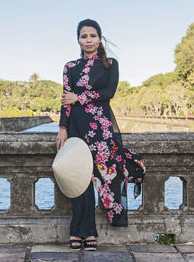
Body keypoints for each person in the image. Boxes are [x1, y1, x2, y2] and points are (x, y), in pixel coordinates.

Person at [55, 19, 146, 251]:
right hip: (76, 128)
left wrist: (80, 97)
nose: (88, 40)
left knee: (103, 177)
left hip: (102, 129)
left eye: (92, 36)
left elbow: (109, 92)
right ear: (78, 40)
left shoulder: (109, 64)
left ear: (99, 38)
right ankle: (81, 232)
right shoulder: (70, 67)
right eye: (83, 36)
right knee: (80, 179)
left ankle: (90, 231)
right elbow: (66, 101)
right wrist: (62, 128)